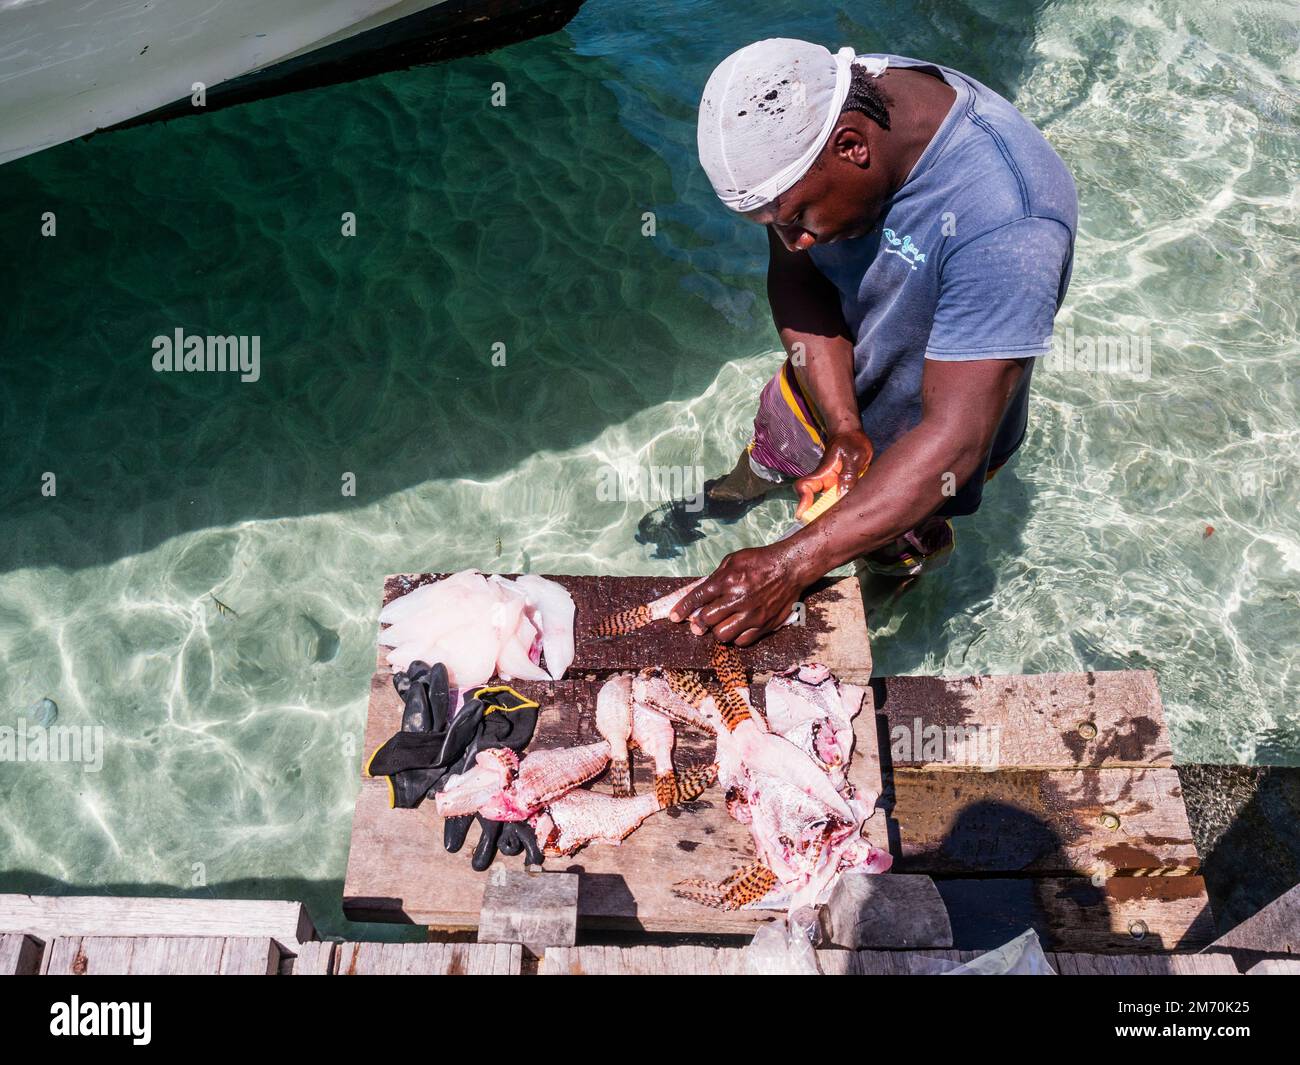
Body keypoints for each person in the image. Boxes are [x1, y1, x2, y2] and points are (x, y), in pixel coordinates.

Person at [670, 38, 1078, 645]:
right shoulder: (807, 117)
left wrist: (791, 564)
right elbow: (796, 279)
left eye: (796, 220)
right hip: (825, 383)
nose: (789, 242)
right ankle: (739, 492)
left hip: (924, 450)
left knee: (889, 551)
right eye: (771, 226)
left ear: (852, 147)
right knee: (775, 449)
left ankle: (884, 591)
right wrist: (843, 425)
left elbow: (955, 440)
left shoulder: (1009, 220)